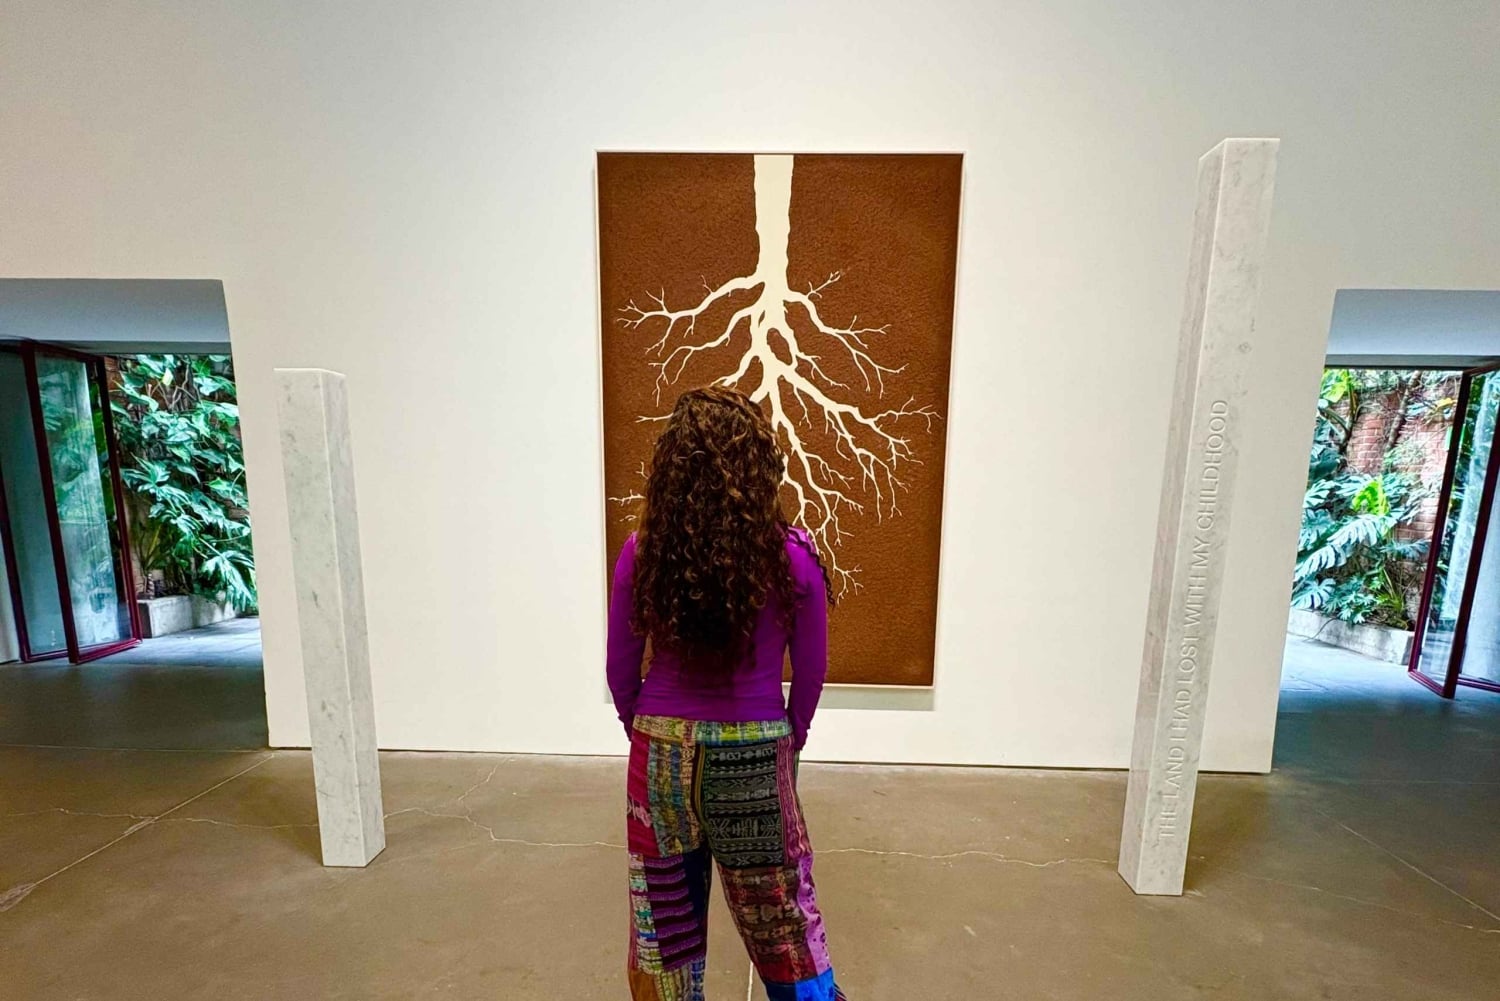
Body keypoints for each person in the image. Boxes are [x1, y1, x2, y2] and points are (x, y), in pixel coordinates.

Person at [607, 386, 847, 1001]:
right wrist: (789, 741)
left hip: (659, 758)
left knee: (664, 932)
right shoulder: (792, 557)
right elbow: (811, 673)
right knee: (785, 928)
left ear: (671, 469)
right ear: (758, 467)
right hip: (754, 757)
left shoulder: (643, 553)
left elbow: (620, 670)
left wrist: (648, 732)